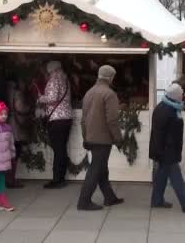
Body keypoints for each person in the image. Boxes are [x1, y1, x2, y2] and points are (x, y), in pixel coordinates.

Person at [149, 84, 185, 213]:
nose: (183, 97)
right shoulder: (169, 111)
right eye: (181, 95)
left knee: (162, 175)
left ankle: (157, 201)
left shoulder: (165, 107)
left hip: (165, 149)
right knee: (176, 177)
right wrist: (164, 151)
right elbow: (162, 134)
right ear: (176, 97)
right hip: (167, 150)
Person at [77, 65, 124, 211]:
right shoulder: (109, 94)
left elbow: (83, 119)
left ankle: (109, 197)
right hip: (103, 139)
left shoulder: (89, 93)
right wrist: (118, 138)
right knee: (96, 169)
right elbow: (112, 120)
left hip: (91, 136)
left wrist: (85, 136)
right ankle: (84, 202)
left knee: (101, 168)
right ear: (111, 77)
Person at [38, 61, 73, 189]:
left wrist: (40, 98)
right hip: (66, 117)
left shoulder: (54, 79)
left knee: (58, 149)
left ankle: (57, 180)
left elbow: (52, 98)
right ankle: (61, 178)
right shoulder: (65, 78)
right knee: (61, 148)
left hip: (57, 118)